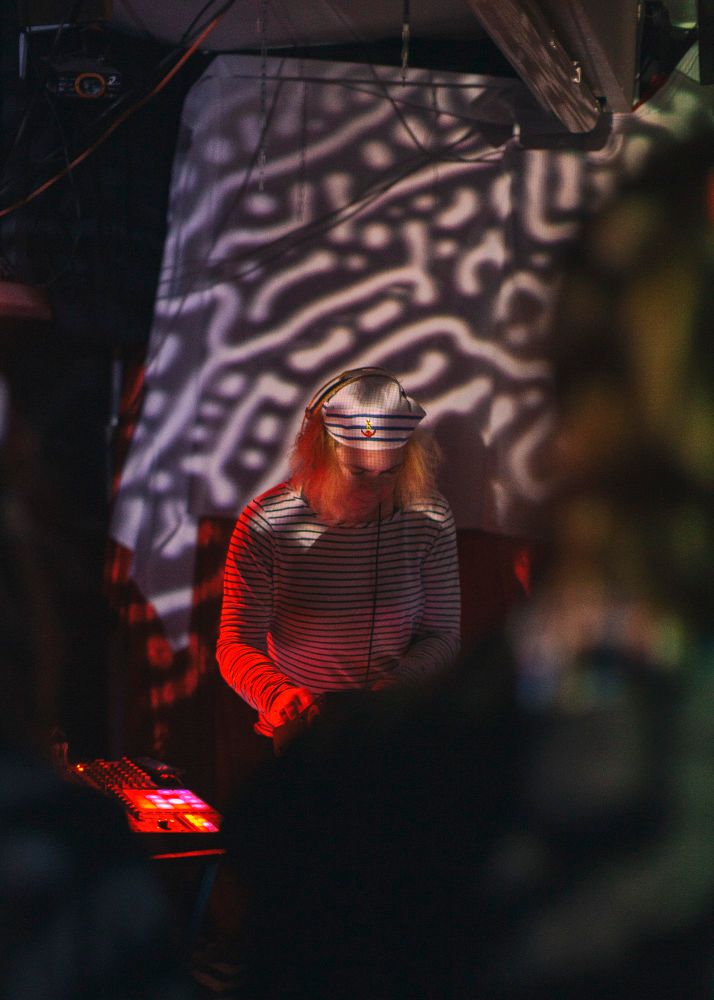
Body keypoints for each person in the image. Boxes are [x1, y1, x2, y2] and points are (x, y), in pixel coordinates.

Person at [216, 367, 461, 744]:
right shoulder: (266, 524)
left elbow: (442, 634)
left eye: (390, 472)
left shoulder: (429, 518)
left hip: (395, 728)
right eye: (359, 472)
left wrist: (398, 684)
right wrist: (278, 695)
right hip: (303, 734)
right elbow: (237, 642)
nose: (376, 488)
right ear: (320, 454)